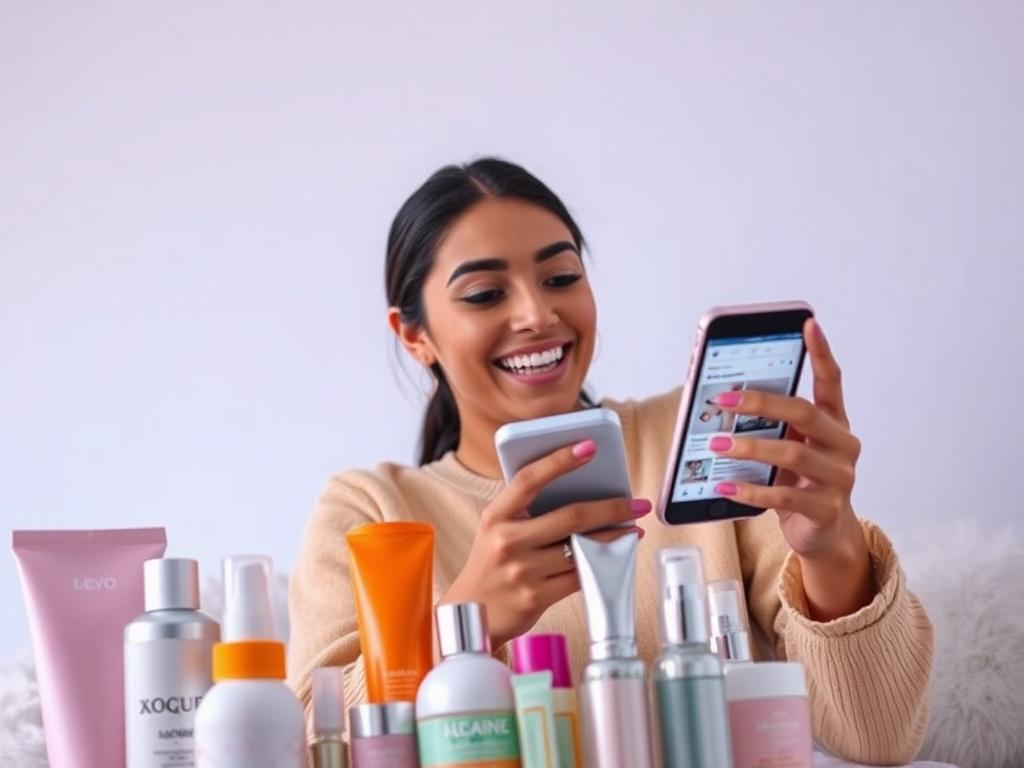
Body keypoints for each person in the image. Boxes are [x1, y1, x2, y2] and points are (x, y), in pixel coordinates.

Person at [287, 158, 933, 764]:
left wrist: (832, 547)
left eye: (561, 278)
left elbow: (880, 736)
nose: (538, 314)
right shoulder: (370, 510)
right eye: (485, 294)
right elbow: (301, 742)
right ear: (414, 334)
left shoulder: (704, 438)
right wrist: (466, 622)